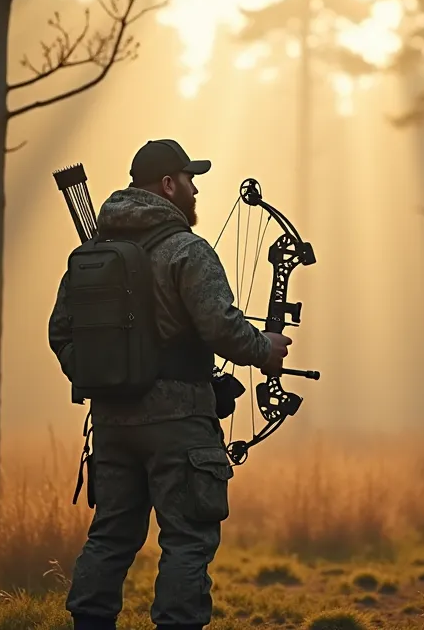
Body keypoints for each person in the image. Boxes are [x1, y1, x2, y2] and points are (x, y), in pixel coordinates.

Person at [48, 138, 292, 630]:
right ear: (167, 185)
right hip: (180, 422)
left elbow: (61, 334)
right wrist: (266, 348)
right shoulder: (186, 250)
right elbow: (222, 328)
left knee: (111, 534)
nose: (195, 188)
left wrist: (104, 380)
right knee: (187, 539)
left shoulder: (92, 252)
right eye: (189, 179)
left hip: (113, 421)